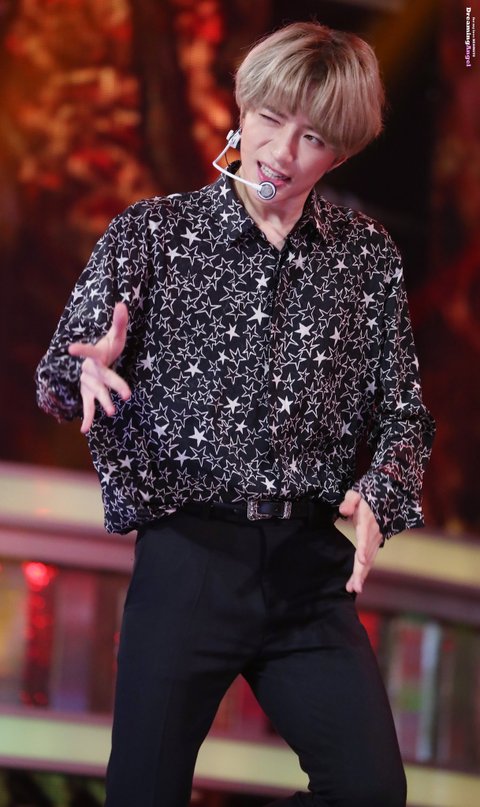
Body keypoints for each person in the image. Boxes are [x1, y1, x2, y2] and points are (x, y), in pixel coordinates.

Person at [36, 20, 435, 807]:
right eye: (269, 119)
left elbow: (405, 416)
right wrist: (86, 372)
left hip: (307, 571)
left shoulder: (366, 258)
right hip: (189, 557)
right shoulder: (154, 236)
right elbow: (58, 375)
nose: (280, 152)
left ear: (339, 154)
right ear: (241, 109)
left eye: (312, 137)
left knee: (370, 794)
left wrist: (383, 491)